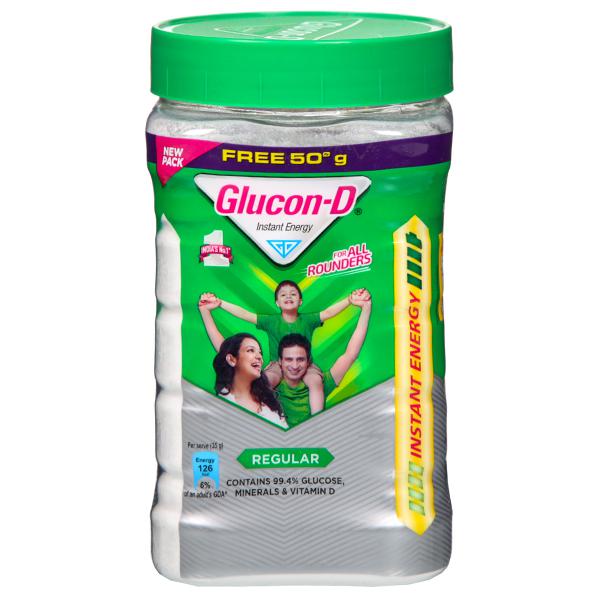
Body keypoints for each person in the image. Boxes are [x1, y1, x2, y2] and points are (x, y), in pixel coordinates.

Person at [199, 281, 367, 419]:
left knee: (315, 382)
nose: (288, 296)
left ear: (300, 301)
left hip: (307, 366)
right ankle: (260, 416)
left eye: (293, 294)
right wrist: (221, 304)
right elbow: (245, 314)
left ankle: (317, 420)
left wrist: (349, 300)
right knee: (265, 382)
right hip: (276, 365)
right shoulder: (271, 321)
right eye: (283, 295)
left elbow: (329, 313)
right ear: (277, 302)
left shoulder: (308, 319)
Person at [275, 289, 371, 427]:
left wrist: (366, 309)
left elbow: (351, 354)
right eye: (289, 359)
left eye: (300, 359)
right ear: (280, 362)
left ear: (308, 362)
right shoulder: (271, 385)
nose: (295, 366)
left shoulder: (321, 383)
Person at [199, 296, 287, 428]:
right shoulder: (224, 405)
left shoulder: (267, 397)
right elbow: (223, 348)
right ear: (231, 359)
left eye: (260, 353)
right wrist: (205, 311)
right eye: (251, 350)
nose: (259, 357)